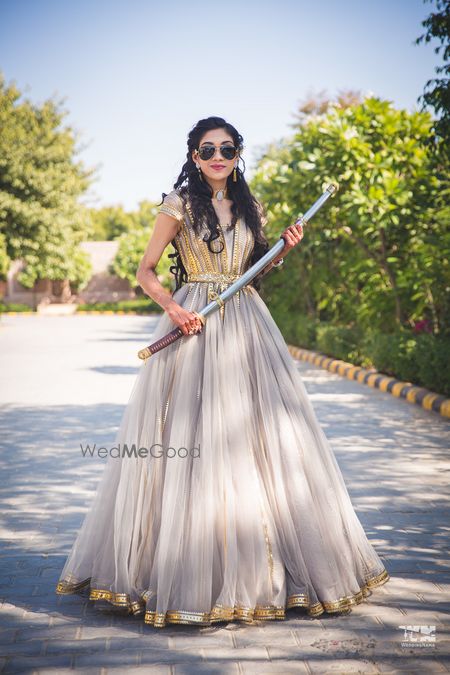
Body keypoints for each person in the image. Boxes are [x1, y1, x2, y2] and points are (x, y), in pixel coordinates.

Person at [55, 116, 389, 628]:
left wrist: (282, 250)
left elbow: (251, 271)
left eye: (226, 148)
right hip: (195, 325)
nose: (217, 156)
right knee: (196, 439)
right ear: (194, 156)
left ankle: (260, 572)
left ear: (237, 155)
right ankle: (186, 571)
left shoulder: (251, 207)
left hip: (248, 327)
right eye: (207, 148)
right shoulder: (179, 205)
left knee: (261, 438)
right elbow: (145, 271)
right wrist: (175, 310)